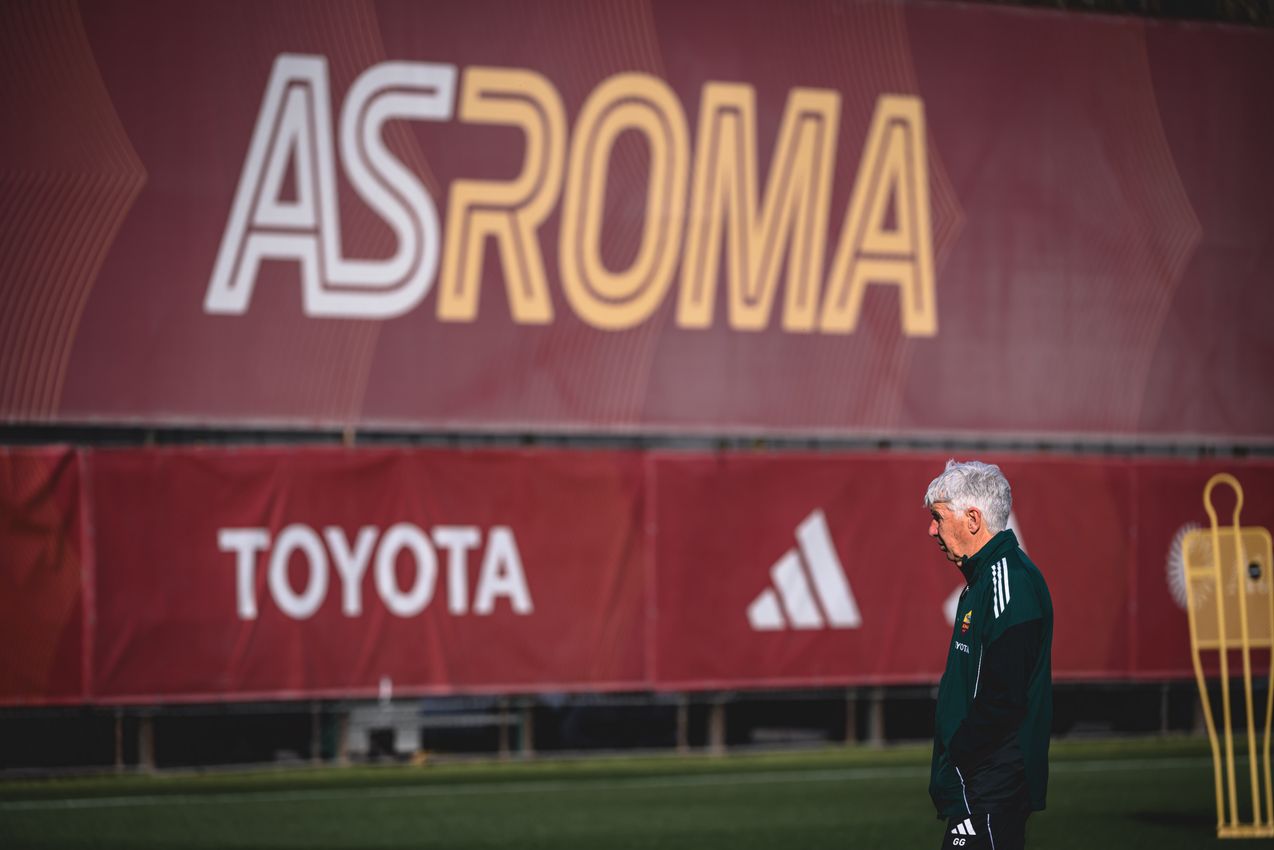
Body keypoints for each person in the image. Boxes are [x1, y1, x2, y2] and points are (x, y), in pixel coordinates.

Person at [925, 460, 1052, 850]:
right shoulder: (984, 580)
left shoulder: (1007, 581)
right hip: (979, 783)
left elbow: (1003, 697)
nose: (932, 529)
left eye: (938, 517)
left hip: (989, 785)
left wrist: (959, 760)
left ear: (973, 519)